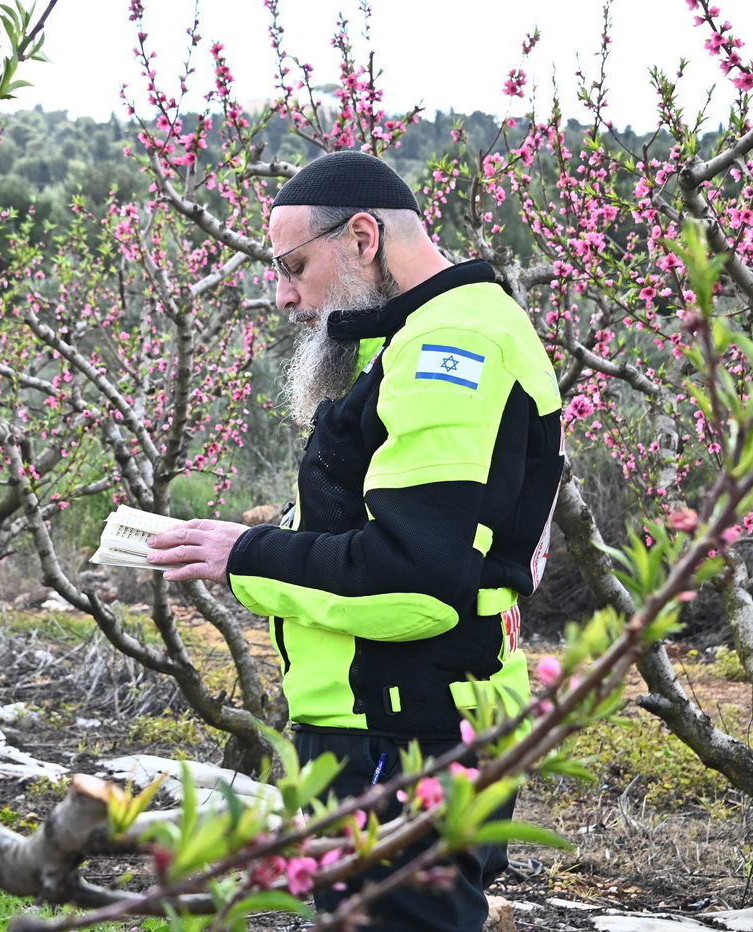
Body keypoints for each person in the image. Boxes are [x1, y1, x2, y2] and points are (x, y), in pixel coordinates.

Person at [147, 150, 564, 931]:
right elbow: (398, 531)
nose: (283, 295)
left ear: (363, 236)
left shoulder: (455, 347)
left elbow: (415, 581)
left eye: (294, 265)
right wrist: (274, 534)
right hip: (395, 726)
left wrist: (246, 555)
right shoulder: (418, 336)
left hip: (401, 735)